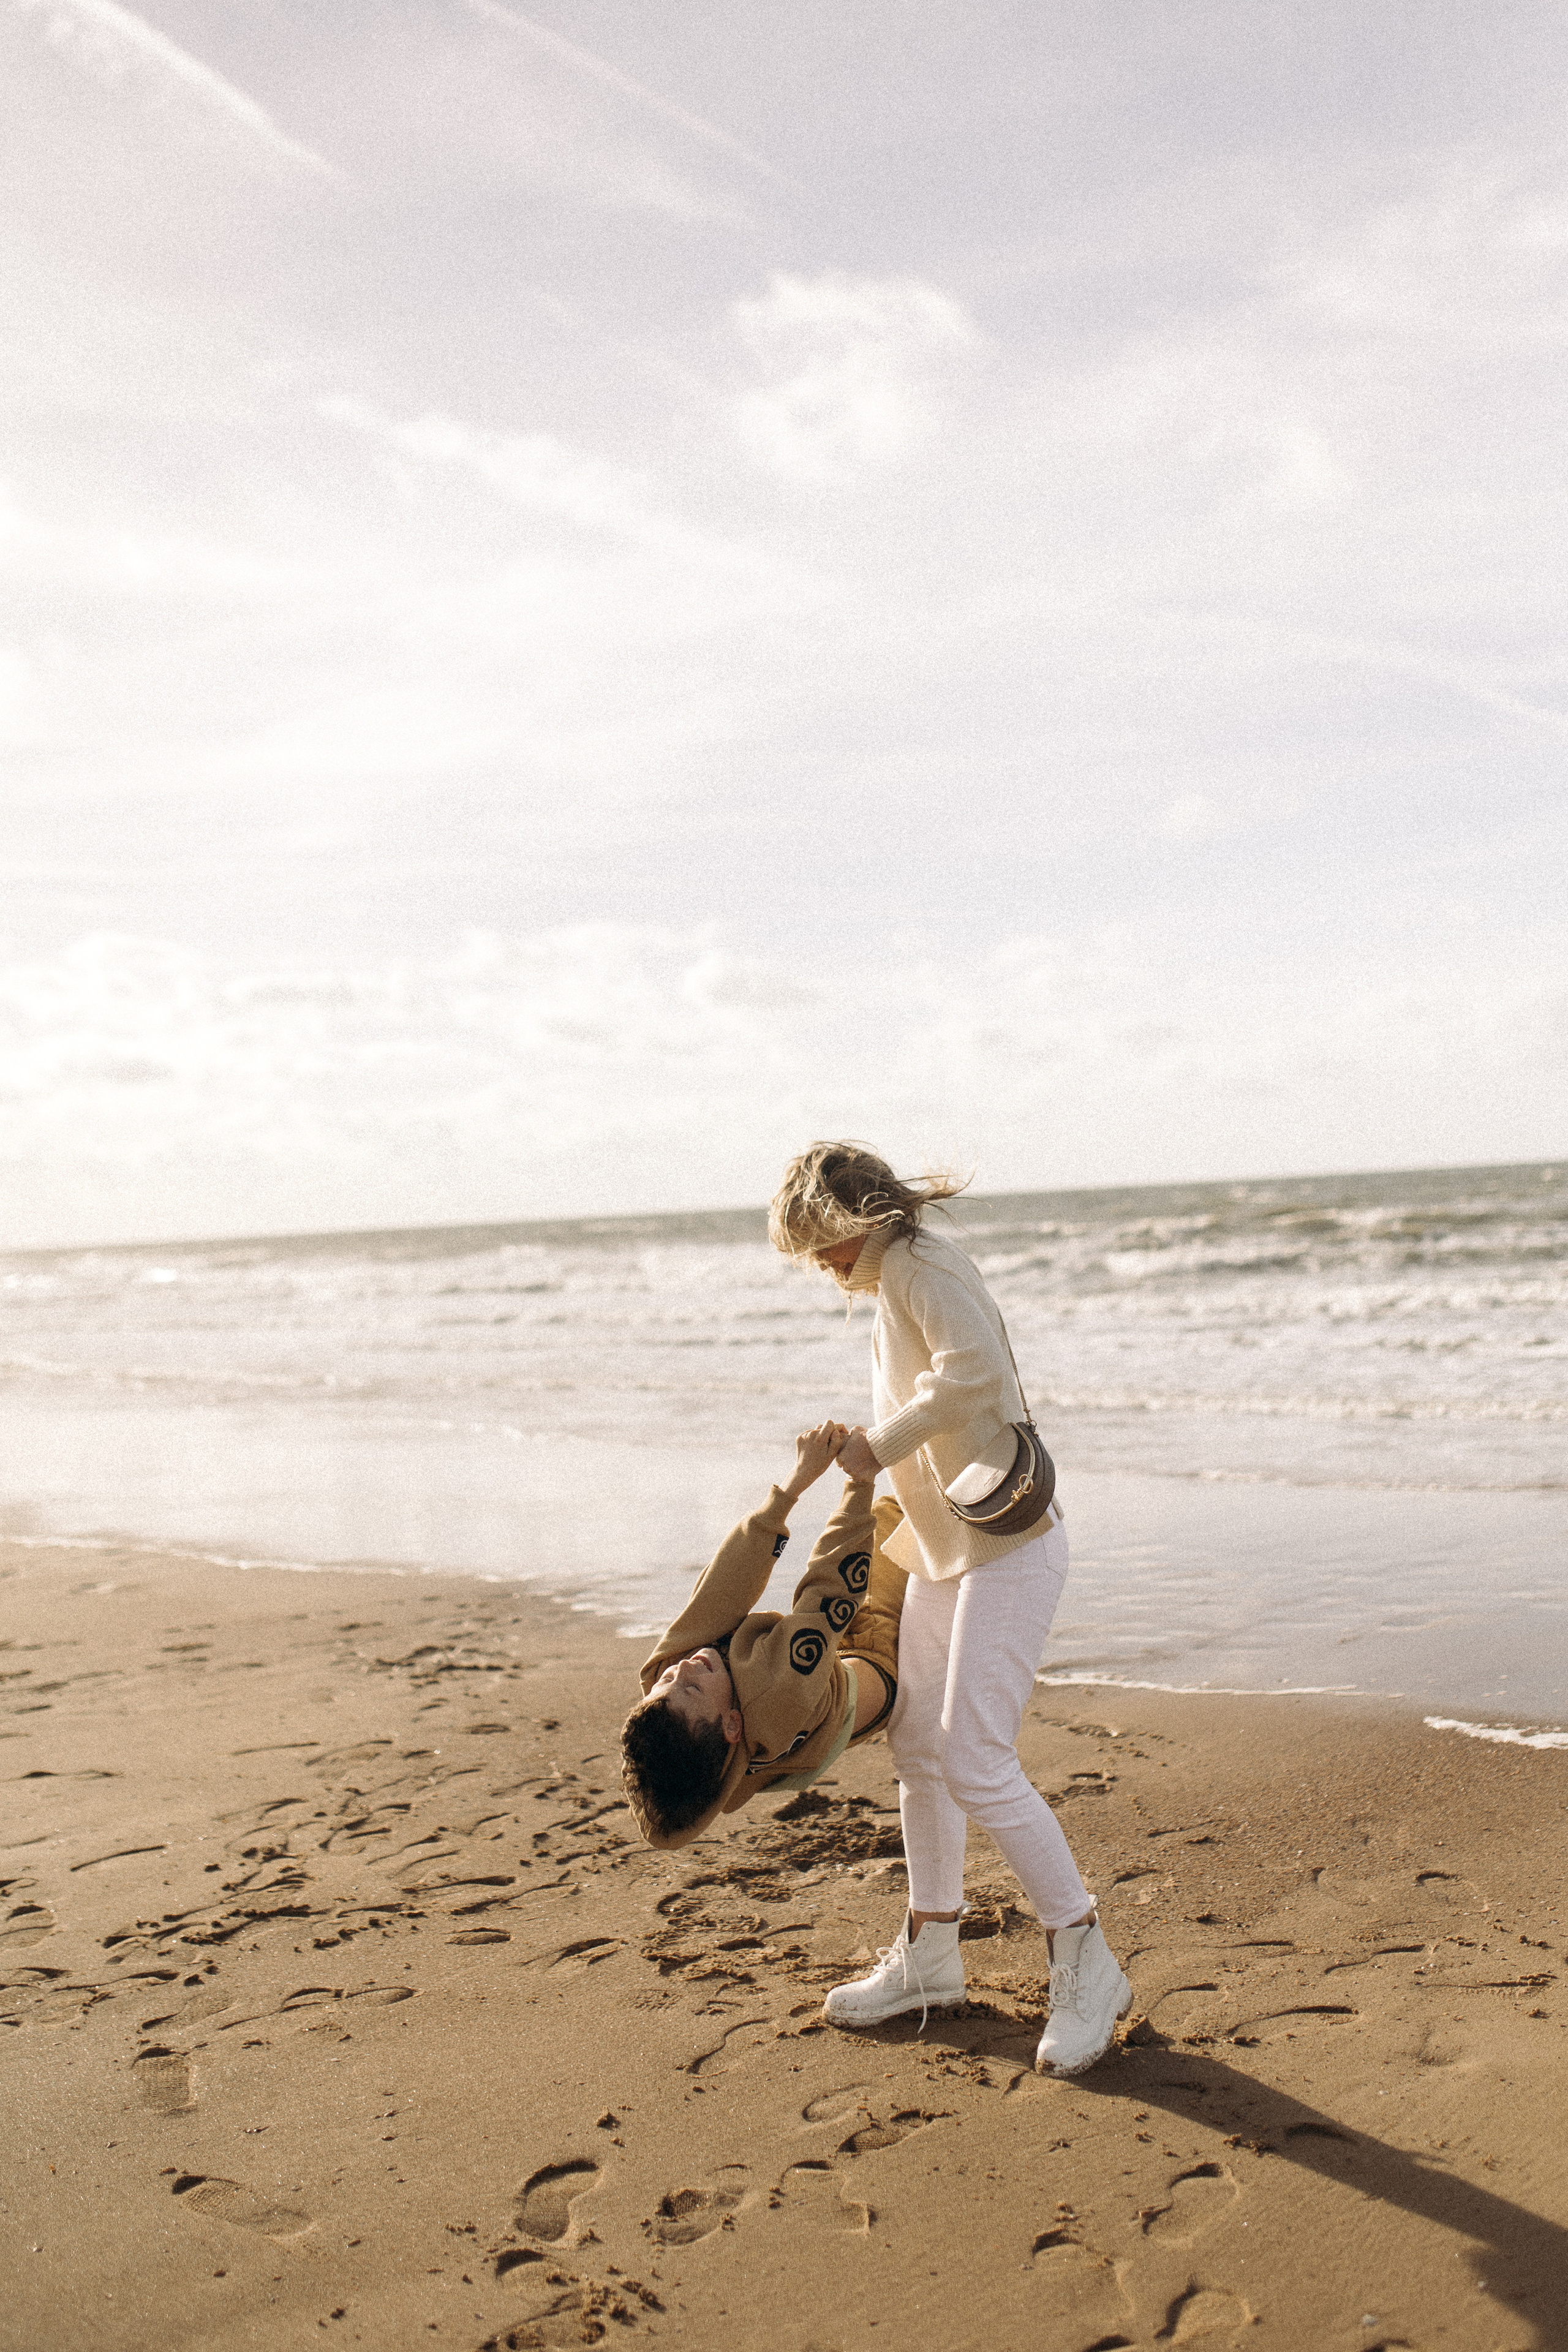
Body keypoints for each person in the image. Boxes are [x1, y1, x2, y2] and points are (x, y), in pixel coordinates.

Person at [769, 1142, 1131, 2077]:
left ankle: (1087, 1959)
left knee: (973, 1755)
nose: (819, 1265)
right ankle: (931, 1957)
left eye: (820, 1245)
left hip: (1008, 1544)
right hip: (945, 1547)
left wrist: (875, 1447)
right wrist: (881, 1471)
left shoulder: (922, 1266)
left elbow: (972, 1375)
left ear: (853, 1224)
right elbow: (939, 1394)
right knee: (921, 1749)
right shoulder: (897, 1280)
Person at [621, 1420, 908, 1851]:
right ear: (733, 1723)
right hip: (871, 1660)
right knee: (894, 1511)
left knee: (688, 1767)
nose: (682, 1668)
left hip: (788, 1713)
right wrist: (859, 1480)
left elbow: (725, 1584)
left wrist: (794, 1485)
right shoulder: (773, 1695)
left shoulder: (669, 1691)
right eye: (694, 1687)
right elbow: (830, 1592)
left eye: (666, 1684)